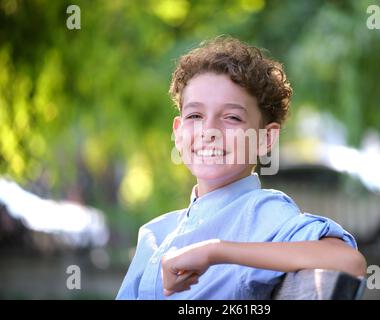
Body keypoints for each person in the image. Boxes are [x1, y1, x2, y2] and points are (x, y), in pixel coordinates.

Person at [116, 36, 366, 300]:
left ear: (265, 139)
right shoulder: (155, 232)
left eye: (232, 117)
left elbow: (348, 262)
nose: (209, 130)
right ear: (178, 133)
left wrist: (216, 251)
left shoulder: (262, 213)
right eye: (195, 116)